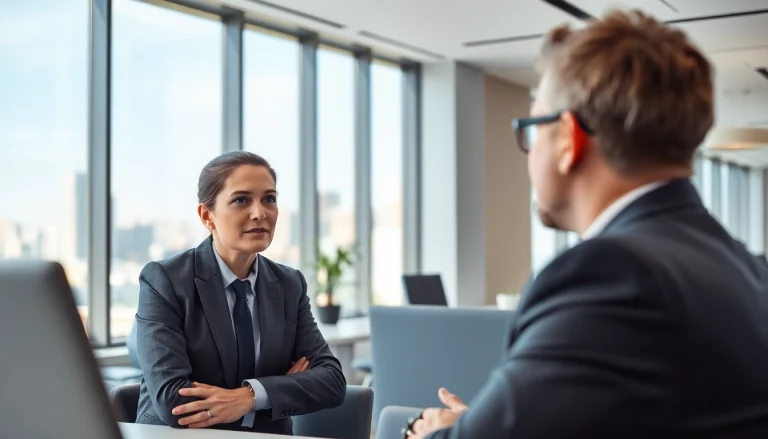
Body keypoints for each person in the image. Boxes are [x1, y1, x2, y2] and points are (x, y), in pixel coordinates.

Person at [406, 9, 768, 439]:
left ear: (567, 138)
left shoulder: (610, 275)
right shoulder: (744, 266)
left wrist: (433, 433)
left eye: (532, 127)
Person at [135, 151, 345, 434]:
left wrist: (250, 396)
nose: (260, 213)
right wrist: (282, 388)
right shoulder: (165, 281)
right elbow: (174, 402)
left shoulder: (288, 284)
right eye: (241, 200)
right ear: (207, 216)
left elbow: (332, 380)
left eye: (269, 199)